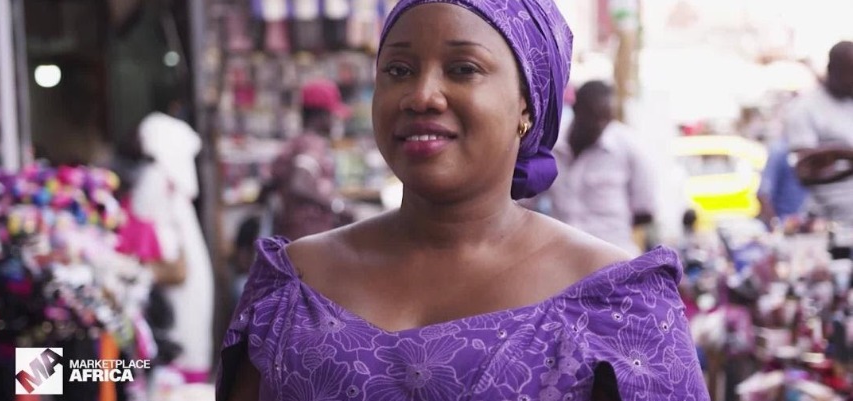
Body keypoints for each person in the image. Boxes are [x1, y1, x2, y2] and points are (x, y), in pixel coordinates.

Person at [219, 2, 709, 400]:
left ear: (527, 102)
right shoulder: (293, 284)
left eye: (463, 69)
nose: (422, 95)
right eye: (398, 69)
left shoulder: (618, 305)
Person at [126, 98, 215, 384]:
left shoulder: (156, 178)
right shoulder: (175, 185)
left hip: (172, 280)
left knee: (174, 344)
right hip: (188, 276)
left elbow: (140, 220)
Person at [544, 80, 657, 255]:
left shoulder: (628, 146)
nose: (600, 125)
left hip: (613, 256)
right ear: (576, 109)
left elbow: (645, 211)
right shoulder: (552, 145)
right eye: (593, 116)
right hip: (564, 255)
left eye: (606, 118)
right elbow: (526, 201)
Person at [785, 41, 853, 257]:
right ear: (832, 69)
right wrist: (847, 158)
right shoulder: (805, 109)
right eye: (849, 72)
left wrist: (838, 157)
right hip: (830, 225)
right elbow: (805, 171)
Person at [268, 79, 352, 240]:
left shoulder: (295, 143)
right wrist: (336, 207)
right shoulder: (312, 144)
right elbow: (298, 184)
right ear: (321, 115)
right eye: (332, 115)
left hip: (291, 236)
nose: (335, 120)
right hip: (308, 236)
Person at [757, 138, 808, 225]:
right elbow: (763, 194)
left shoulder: (810, 154)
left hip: (801, 222)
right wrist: (775, 223)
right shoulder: (779, 152)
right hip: (780, 221)